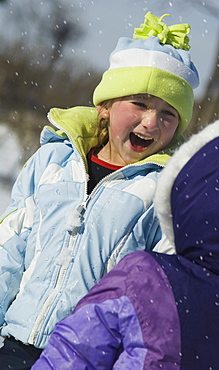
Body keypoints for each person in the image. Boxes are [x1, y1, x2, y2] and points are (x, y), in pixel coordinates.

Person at [0, 11, 199, 369]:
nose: (151, 122)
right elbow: (9, 251)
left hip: (88, 356)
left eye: (168, 114)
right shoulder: (53, 162)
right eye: (139, 103)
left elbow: (158, 299)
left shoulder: (165, 194)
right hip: (15, 343)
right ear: (105, 107)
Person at [32, 110, 219, 369]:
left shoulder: (146, 277)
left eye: (168, 113)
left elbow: (74, 354)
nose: (151, 121)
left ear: (191, 191)